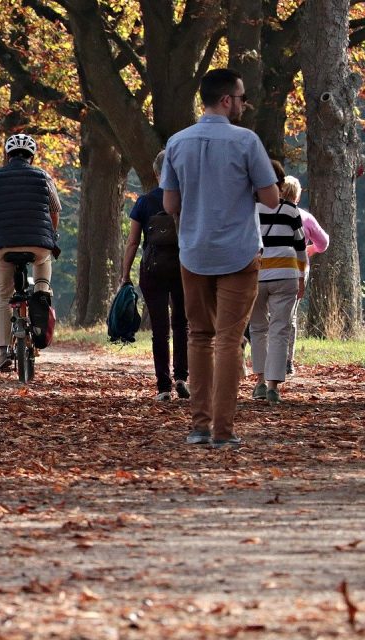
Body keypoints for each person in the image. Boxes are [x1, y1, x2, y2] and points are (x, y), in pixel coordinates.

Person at [161, 68, 280, 449]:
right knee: (229, 340)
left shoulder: (177, 143)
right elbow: (272, 198)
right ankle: (223, 431)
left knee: (199, 336)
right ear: (227, 100)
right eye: (242, 97)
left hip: (193, 251)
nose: (244, 103)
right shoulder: (247, 142)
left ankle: (198, 426)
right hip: (239, 251)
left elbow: (170, 203)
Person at [0, 133, 61, 372]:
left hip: (3, 244)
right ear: (32, 156)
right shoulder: (44, 176)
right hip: (38, 244)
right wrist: (51, 235)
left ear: (7, 155)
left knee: (2, 294)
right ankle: (41, 295)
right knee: (43, 268)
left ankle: (3, 352)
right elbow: (55, 210)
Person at [120, 150, 189, 402]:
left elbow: (132, 242)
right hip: (183, 268)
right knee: (182, 323)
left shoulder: (144, 202)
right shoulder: (186, 200)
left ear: (156, 172)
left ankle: (163, 386)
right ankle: (182, 376)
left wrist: (125, 274)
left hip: (153, 269)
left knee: (160, 328)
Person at [249, 160, 307, 405]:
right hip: (286, 274)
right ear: (281, 185)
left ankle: (260, 382)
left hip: (255, 276)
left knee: (257, 328)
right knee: (280, 329)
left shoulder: (249, 209)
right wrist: (301, 276)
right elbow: (301, 248)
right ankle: (274, 386)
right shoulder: (292, 211)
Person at [282, 176, 329, 375]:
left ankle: (269, 358)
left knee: (269, 315)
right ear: (297, 195)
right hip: (298, 269)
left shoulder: (267, 213)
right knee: (290, 316)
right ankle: (287, 361)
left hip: (269, 268)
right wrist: (312, 249)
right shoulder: (305, 217)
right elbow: (324, 242)